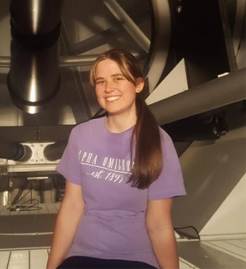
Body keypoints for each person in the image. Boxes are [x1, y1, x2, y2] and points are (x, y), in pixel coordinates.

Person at [45, 49, 184, 269]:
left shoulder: (159, 142)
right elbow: (72, 207)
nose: (108, 88)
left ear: (138, 85)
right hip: (83, 256)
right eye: (101, 81)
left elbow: (159, 224)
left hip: (136, 260)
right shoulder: (81, 135)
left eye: (118, 78)